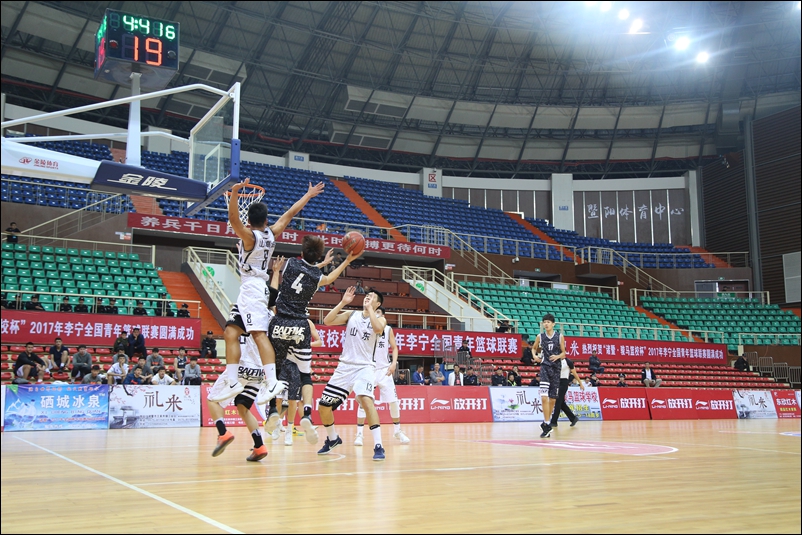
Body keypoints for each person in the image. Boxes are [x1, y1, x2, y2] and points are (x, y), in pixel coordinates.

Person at [210, 178, 324, 404]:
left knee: (258, 334)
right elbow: (289, 214)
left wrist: (234, 193)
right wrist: (308, 195)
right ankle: (232, 381)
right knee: (231, 333)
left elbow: (234, 220)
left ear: (249, 222)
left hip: (254, 288)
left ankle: (271, 382)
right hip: (248, 290)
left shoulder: (250, 236)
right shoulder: (271, 233)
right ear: (265, 220)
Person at [263, 239, 356, 442]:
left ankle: (272, 411)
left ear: (302, 251)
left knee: (275, 371)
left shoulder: (289, 264)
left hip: (279, 322)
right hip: (300, 325)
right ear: (319, 255)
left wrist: (276, 272)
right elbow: (330, 277)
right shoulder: (316, 276)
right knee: (305, 375)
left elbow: (298, 271)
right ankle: (306, 414)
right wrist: (347, 259)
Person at [318, 287, 387, 460]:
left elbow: (378, 329)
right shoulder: (351, 314)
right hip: (345, 367)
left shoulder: (380, 318)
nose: (367, 298)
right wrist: (343, 302)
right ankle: (333, 438)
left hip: (364, 368)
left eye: (371, 297)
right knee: (324, 406)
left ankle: (379, 446)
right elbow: (327, 321)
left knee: (366, 399)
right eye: (367, 296)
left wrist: (371, 309)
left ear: (377, 303)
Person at [208, 335, 271, 462]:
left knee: (213, 400)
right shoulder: (267, 320)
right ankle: (259, 446)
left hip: (241, 366)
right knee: (244, 409)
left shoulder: (240, 317)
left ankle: (223, 433)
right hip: (258, 370)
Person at [354, 307, 410, 446]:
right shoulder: (366, 328)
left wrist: (394, 363)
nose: (375, 314)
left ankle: (398, 431)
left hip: (384, 370)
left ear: (383, 316)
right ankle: (359, 434)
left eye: (378, 312)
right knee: (363, 402)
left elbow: (395, 347)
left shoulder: (388, 329)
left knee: (394, 401)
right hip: (369, 369)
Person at [531, 313, 566, 439]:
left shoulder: (559, 336)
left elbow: (564, 353)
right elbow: (533, 349)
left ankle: (547, 423)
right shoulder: (540, 336)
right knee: (544, 397)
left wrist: (557, 356)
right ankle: (546, 423)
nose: (546, 324)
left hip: (556, 369)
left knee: (552, 399)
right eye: (544, 322)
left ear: (553, 324)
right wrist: (535, 356)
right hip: (545, 368)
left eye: (548, 322)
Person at [549, 357, 584, 428]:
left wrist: (580, 383)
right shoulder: (556, 361)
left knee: (558, 401)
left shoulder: (568, 361)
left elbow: (574, 373)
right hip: (556, 382)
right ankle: (573, 418)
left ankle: (554, 421)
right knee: (561, 403)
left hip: (564, 382)